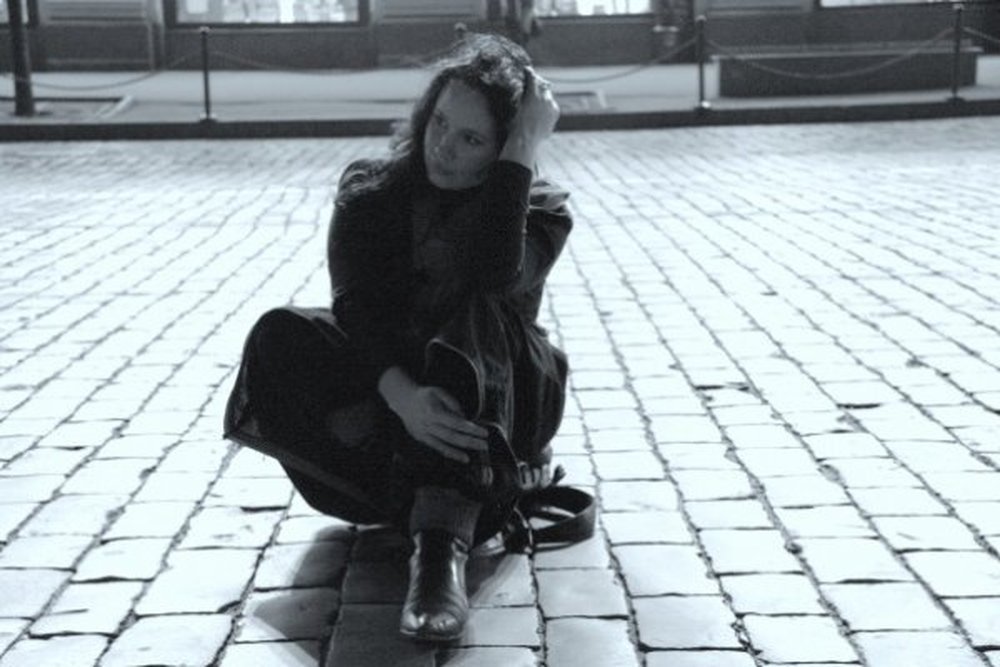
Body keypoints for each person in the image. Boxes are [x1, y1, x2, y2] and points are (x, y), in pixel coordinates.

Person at [223, 33, 571, 643]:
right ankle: (408, 493)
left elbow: (495, 275)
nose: (443, 146)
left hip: (489, 405)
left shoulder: (539, 211)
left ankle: (439, 550)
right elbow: (355, 308)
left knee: (475, 313)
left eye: (472, 139)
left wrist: (521, 151)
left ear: (502, 150)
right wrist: (402, 397)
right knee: (282, 333)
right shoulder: (372, 188)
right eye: (440, 122)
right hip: (396, 411)